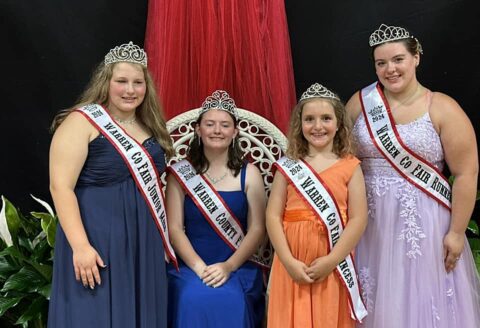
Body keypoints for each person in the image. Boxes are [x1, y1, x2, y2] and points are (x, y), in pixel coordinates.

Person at [346, 23, 480, 328]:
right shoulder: (360, 103)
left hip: (423, 225)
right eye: (381, 63)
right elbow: (339, 157)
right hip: (369, 223)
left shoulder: (443, 108)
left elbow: (466, 173)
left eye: (398, 60)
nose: (390, 69)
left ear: (416, 57)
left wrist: (457, 232)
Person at [48, 42, 176, 328]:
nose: (130, 90)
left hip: (144, 244)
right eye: (121, 81)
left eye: (137, 83)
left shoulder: (150, 127)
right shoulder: (81, 122)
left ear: (146, 87)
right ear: (107, 83)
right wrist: (80, 247)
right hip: (96, 241)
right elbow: (60, 187)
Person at [266, 83, 368, 328]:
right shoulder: (288, 165)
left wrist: (333, 259)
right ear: (300, 125)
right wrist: (288, 261)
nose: (318, 126)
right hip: (292, 261)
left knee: (328, 317)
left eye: (326, 118)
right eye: (309, 119)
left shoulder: (351, 166)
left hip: (332, 261)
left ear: (338, 123)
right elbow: (272, 215)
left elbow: (358, 218)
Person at [166, 90, 266, 328]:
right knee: (192, 297)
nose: (217, 130)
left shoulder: (249, 173)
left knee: (231, 299)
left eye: (224, 125)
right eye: (209, 124)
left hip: (236, 266)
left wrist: (228, 266)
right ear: (198, 130)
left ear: (235, 132)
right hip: (190, 267)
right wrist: (200, 268)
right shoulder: (180, 174)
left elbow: (257, 229)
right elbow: (175, 228)